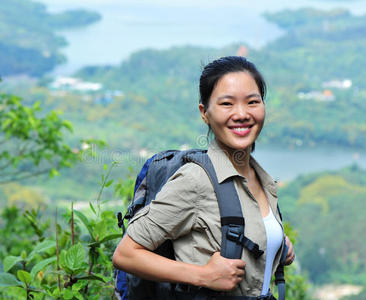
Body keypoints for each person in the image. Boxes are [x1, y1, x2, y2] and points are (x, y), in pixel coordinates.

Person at [113, 56, 295, 299]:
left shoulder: (262, 179)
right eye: (227, 104)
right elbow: (125, 254)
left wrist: (275, 244)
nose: (241, 114)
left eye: (252, 101)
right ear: (205, 113)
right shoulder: (196, 179)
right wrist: (203, 275)